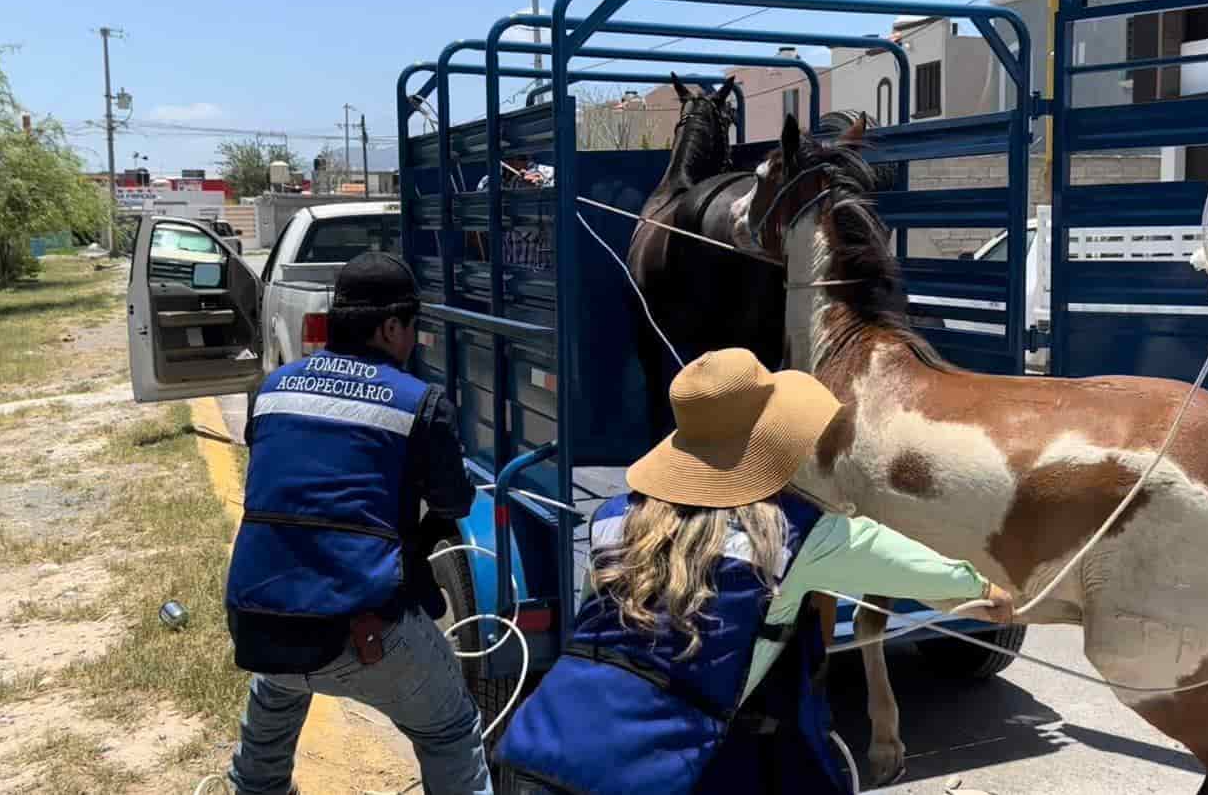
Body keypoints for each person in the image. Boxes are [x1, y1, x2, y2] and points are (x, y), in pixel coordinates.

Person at [493, 348, 1017, 795]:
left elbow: (599, 624)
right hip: (642, 777)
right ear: (772, 441)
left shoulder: (615, 516)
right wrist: (985, 591)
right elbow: (919, 571)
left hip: (535, 747)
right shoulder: (792, 534)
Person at [220, 251, 492, 795]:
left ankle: (254, 788)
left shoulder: (274, 389)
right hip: (363, 631)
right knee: (451, 732)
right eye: (412, 328)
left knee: (279, 687)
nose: (413, 341)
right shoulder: (418, 402)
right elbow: (454, 504)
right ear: (391, 327)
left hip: (258, 620)